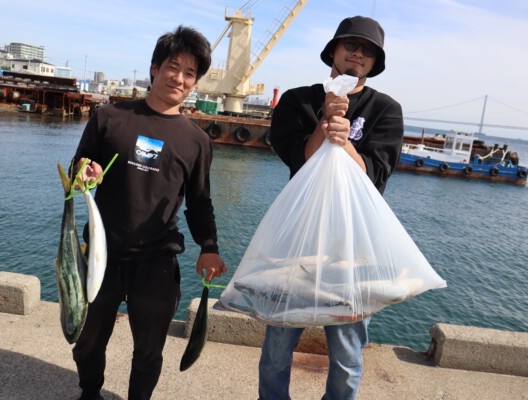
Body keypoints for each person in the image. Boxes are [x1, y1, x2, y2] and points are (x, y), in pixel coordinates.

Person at [71, 25, 227, 400]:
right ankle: (89, 392)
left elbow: (200, 201)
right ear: (155, 68)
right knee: (88, 340)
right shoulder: (109, 116)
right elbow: (79, 166)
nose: (180, 78)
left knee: (149, 351)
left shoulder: (197, 141)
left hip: (157, 259)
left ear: (195, 83)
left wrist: (209, 245)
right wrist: (83, 175)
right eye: (174, 67)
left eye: (191, 73)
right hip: (100, 254)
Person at [260, 16, 404, 400]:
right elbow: (298, 160)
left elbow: (373, 178)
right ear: (334, 50)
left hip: (353, 250)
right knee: (277, 348)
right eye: (351, 45)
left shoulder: (385, 110)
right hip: (297, 243)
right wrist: (325, 121)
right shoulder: (296, 101)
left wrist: (346, 140)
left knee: (347, 354)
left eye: (368, 50)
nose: (358, 54)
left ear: (374, 62)